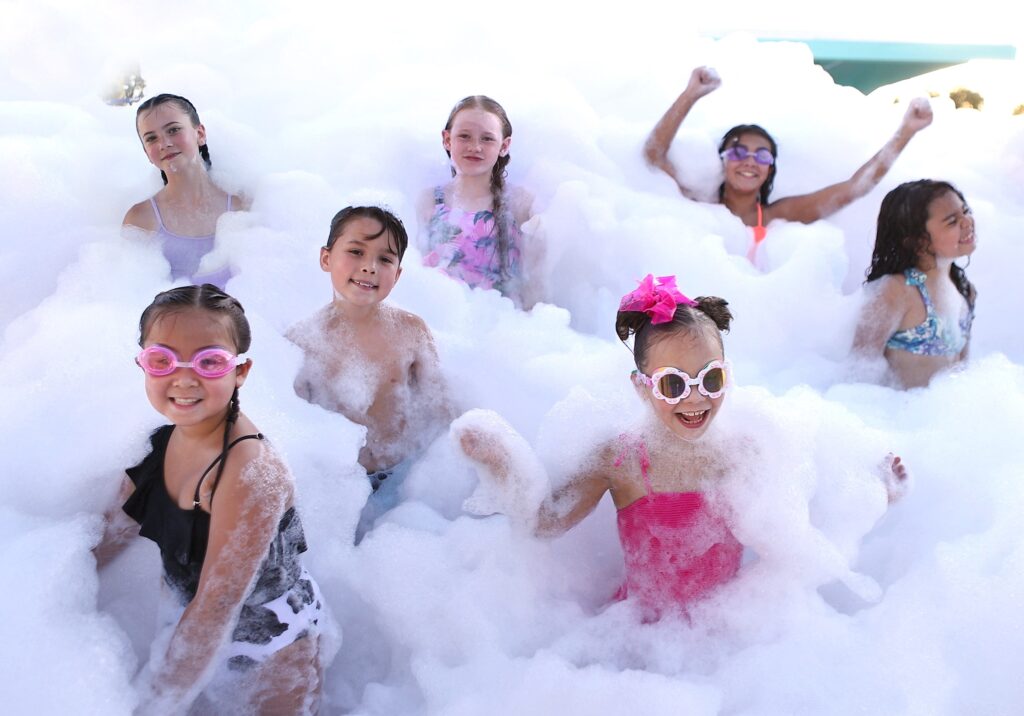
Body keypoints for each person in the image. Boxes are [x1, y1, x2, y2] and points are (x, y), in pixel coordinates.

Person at [455, 275, 907, 619]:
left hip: (729, 624)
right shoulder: (621, 457)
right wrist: (503, 462)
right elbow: (546, 523)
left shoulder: (743, 448)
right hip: (642, 630)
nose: (695, 398)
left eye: (711, 379)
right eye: (674, 384)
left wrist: (870, 500)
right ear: (641, 387)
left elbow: (797, 546)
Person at [96, 284, 325, 714]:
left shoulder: (250, 473)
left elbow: (215, 608)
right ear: (142, 365)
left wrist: (153, 705)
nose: (184, 378)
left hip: (270, 645)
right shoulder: (155, 445)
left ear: (241, 371)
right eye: (162, 360)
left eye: (210, 361)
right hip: (188, 626)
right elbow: (109, 536)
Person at [643, 66, 934, 266]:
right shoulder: (697, 204)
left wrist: (906, 131)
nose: (749, 161)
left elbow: (853, 189)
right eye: (739, 151)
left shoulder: (776, 216)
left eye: (762, 156)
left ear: (770, 170)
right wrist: (690, 94)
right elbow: (653, 156)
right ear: (723, 160)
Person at [288, 206, 452, 540]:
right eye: (356, 251)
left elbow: (440, 405)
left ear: (398, 274)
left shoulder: (411, 330)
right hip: (341, 485)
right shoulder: (302, 342)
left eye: (385, 259)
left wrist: (446, 461)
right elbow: (295, 432)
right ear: (325, 258)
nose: (369, 266)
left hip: (405, 477)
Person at [853, 180, 977, 389]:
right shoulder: (896, 292)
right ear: (918, 242)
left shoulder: (964, 290)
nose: (967, 222)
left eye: (966, 211)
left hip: (944, 413)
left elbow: (962, 368)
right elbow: (858, 370)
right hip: (896, 415)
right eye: (952, 221)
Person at [417, 95, 536, 307]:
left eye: (487, 138)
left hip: (504, 325)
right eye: (464, 136)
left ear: (504, 146)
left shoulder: (519, 202)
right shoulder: (431, 201)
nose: (475, 146)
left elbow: (536, 277)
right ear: (447, 139)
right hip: (443, 319)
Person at [123, 94, 243, 289]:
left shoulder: (241, 207)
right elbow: (132, 298)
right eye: (151, 138)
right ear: (146, 152)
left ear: (200, 134)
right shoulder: (141, 219)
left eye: (173, 130)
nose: (164, 144)